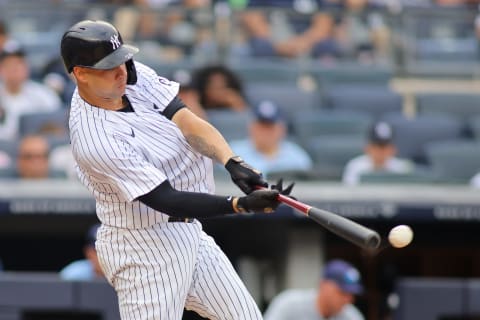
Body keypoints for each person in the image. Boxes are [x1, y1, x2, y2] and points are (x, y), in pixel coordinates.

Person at [61, 20, 289, 320]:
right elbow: (164, 198)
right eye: (109, 66)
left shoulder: (130, 75)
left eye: (122, 60)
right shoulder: (94, 139)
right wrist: (239, 205)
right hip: (142, 246)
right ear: (81, 73)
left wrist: (232, 161)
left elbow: (185, 119)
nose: (121, 71)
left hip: (188, 233)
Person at [229, 100, 313, 178]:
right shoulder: (233, 153)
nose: (265, 132)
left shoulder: (296, 156)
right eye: (261, 126)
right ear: (251, 127)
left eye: (270, 127)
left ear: (282, 129)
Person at [263, 259, 365, 320]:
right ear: (323, 285)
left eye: (351, 294)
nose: (348, 299)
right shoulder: (289, 304)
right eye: (342, 292)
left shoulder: (351, 316)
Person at [0, 43, 62, 141]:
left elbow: (56, 123)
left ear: (26, 68)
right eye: (8, 65)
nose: (14, 70)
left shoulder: (43, 93)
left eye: (19, 64)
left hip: (36, 148)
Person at [342, 121, 414, 186]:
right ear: (367, 148)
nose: (380, 151)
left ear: (393, 149)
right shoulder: (356, 167)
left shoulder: (402, 169)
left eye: (384, 146)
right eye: (376, 146)